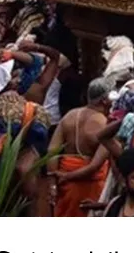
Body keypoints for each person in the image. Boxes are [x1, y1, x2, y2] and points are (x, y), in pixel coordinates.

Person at [48, 77, 113, 217]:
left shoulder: (69, 116)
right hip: (89, 185)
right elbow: (95, 166)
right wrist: (67, 177)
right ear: (105, 100)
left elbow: (52, 151)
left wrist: (53, 183)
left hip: (65, 184)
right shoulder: (105, 124)